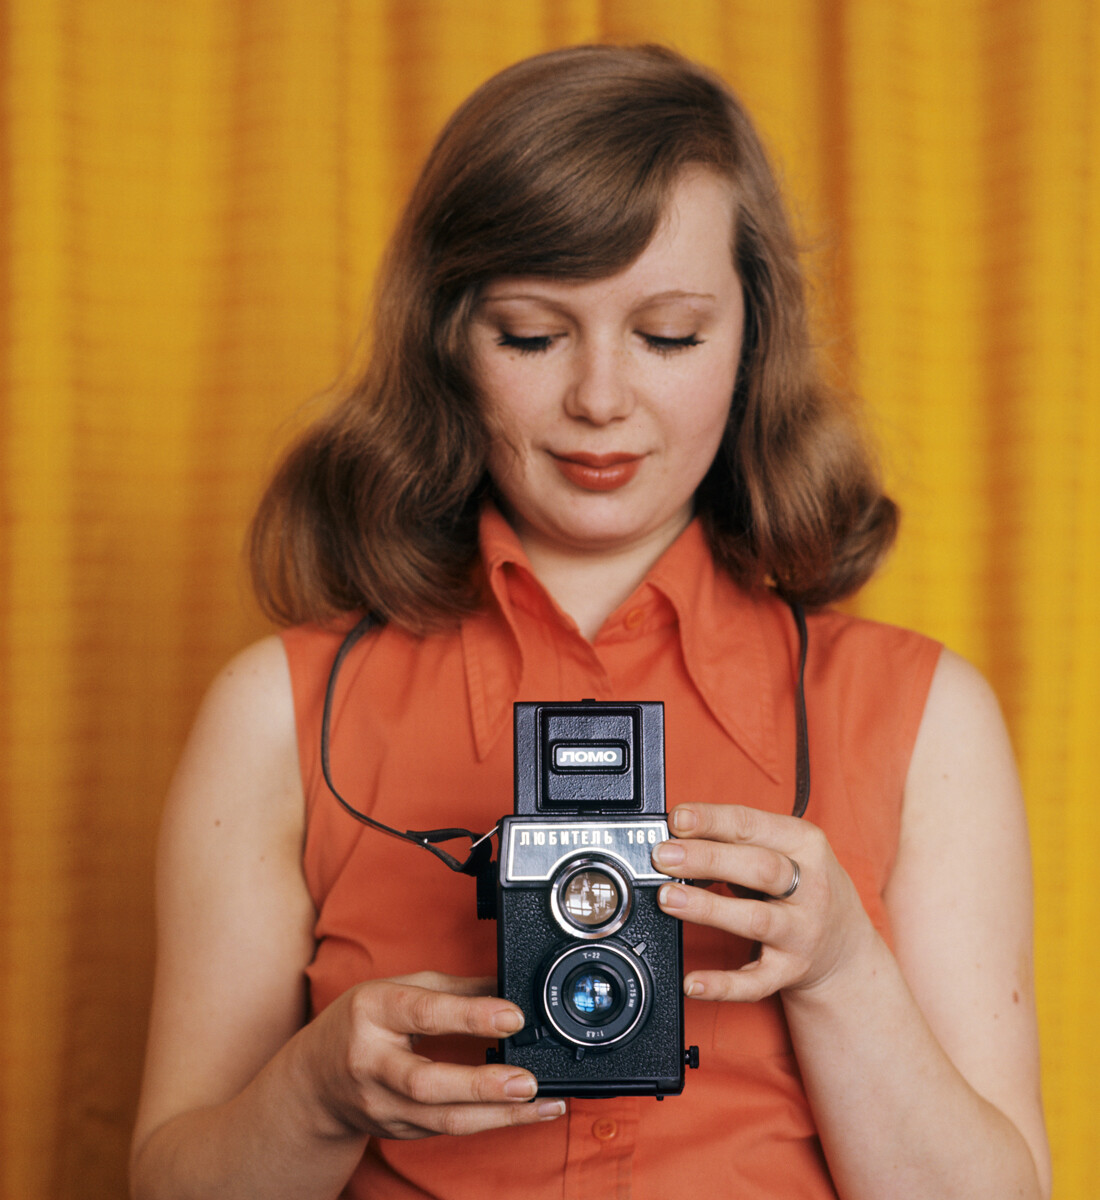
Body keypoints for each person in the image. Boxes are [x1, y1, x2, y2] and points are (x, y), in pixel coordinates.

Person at [129, 44, 1051, 1200]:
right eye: (529, 333)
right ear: (445, 341)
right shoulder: (279, 710)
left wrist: (836, 968)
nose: (600, 399)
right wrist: (312, 1094)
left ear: (751, 341)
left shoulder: (918, 715)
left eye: (667, 335)